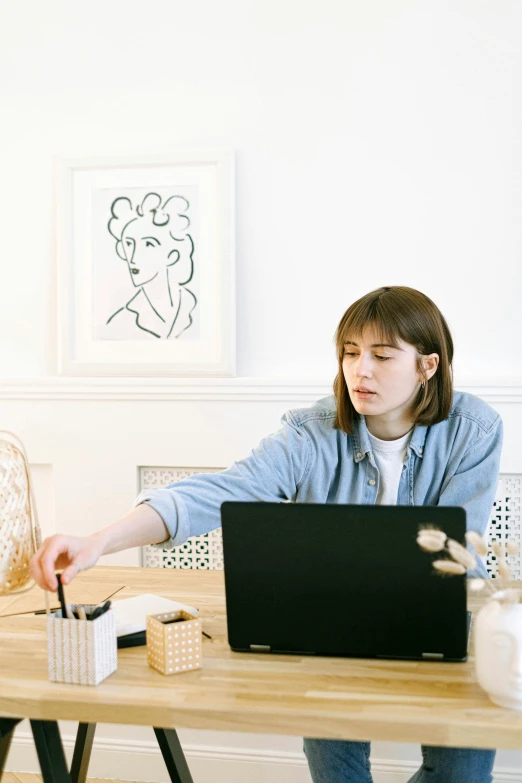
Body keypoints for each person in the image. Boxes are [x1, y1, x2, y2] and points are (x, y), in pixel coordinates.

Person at [30, 285, 502, 783]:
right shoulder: (309, 432)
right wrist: (98, 543)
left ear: (427, 366)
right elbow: (217, 492)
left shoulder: (473, 429)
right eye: (350, 352)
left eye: (382, 356)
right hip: (333, 620)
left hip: (444, 617)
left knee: (463, 774)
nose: (360, 370)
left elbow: (458, 550)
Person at [105, 192, 197, 340]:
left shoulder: (195, 307)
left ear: (172, 256)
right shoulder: (119, 323)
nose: (133, 258)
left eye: (148, 244)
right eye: (128, 244)